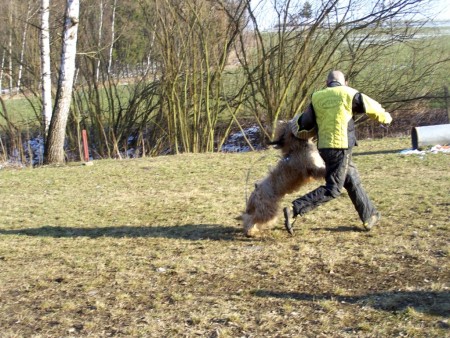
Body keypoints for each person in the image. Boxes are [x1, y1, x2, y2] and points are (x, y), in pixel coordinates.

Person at [284, 70, 392, 234]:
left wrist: (296, 127)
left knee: (351, 178)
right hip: (341, 147)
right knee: (333, 189)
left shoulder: (317, 97)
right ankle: (295, 209)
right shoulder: (350, 94)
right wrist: (385, 118)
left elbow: (306, 123)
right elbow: (372, 107)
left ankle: (369, 215)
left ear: (327, 83)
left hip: (325, 148)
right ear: (345, 83)